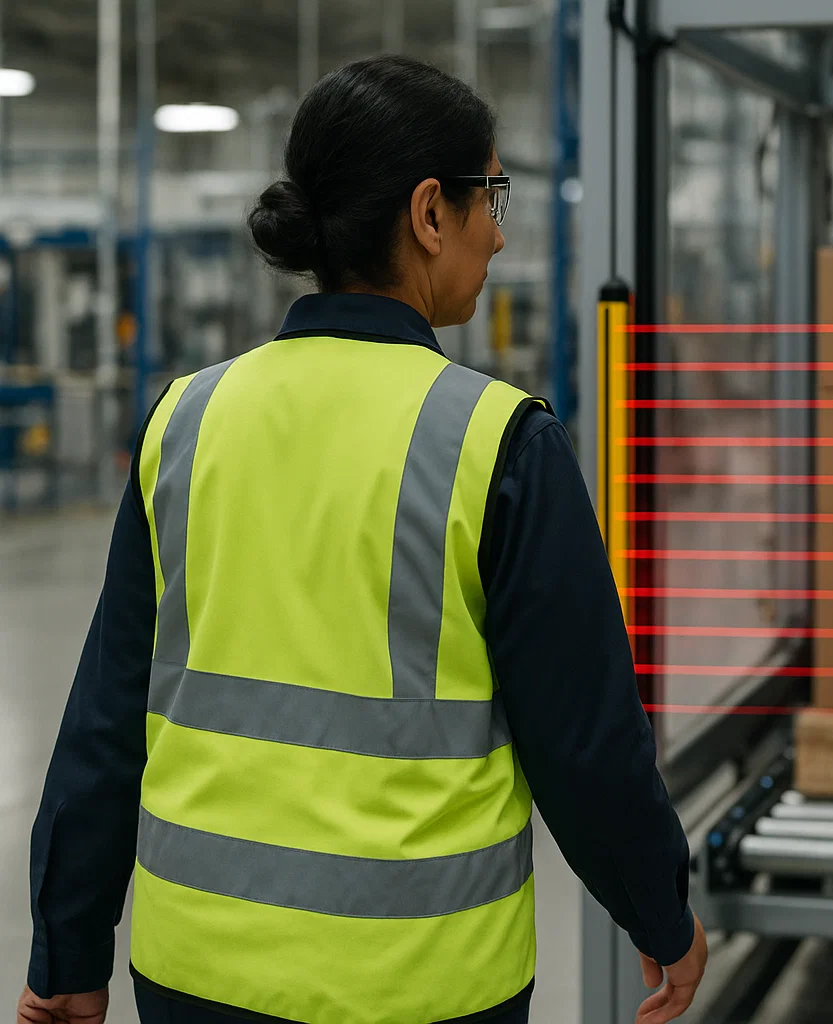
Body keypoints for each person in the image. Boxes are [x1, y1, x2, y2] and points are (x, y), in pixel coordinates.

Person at [18, 55, 706, 1024]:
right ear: (431, 213)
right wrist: (660, 912)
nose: (500, 236)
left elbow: (103, 718)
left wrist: (67, 948)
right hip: (418, 979)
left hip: (198, 972)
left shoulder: (185, 420)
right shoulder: (498, 442)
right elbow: (584, 741)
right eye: (490, 198)